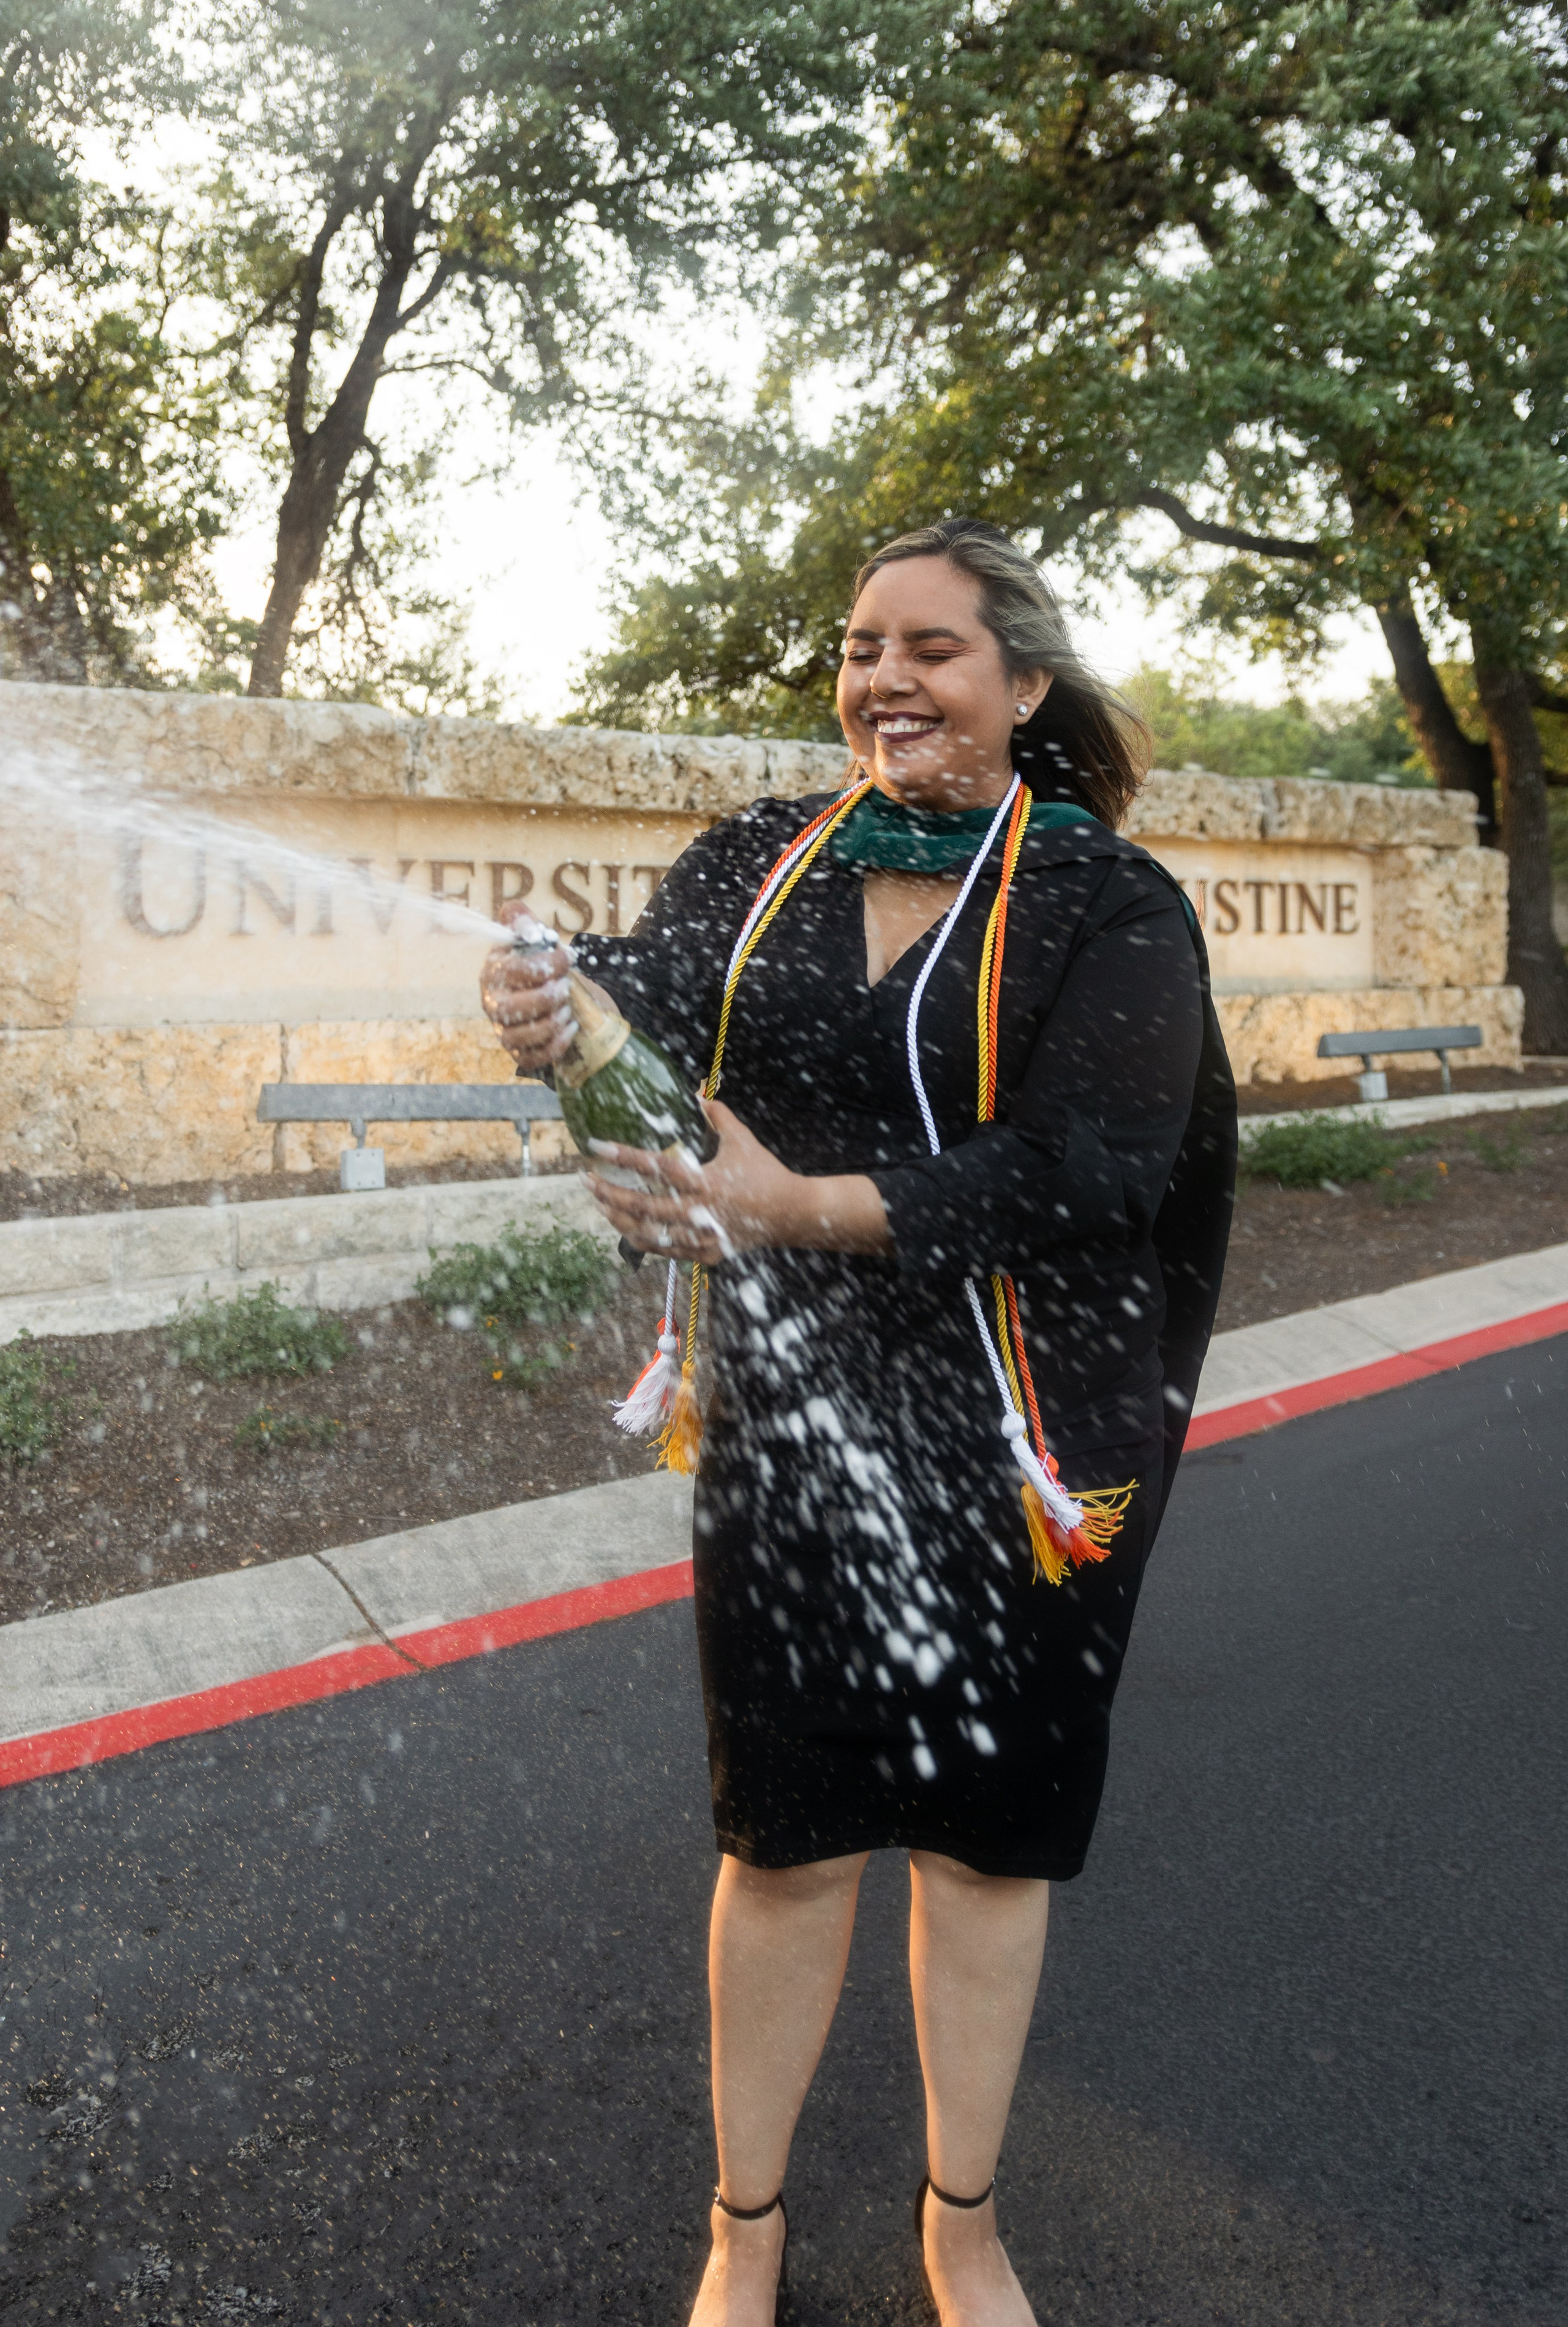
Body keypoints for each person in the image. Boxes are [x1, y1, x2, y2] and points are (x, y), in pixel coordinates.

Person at [480, 519, 1235, 2326]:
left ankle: (960, 2225)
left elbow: (1091, 1170)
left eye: (934, 648)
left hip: (1026, 1442)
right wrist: (551, 1017)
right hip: (795, 1421)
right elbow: (638, 1018)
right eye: (859, 646)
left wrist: (786, 1202)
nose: (884, 678)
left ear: (1023, 685)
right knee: (788, 1839)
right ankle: (747, 2233)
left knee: (986, 1848)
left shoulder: (1105, 902)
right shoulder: (758, 860)